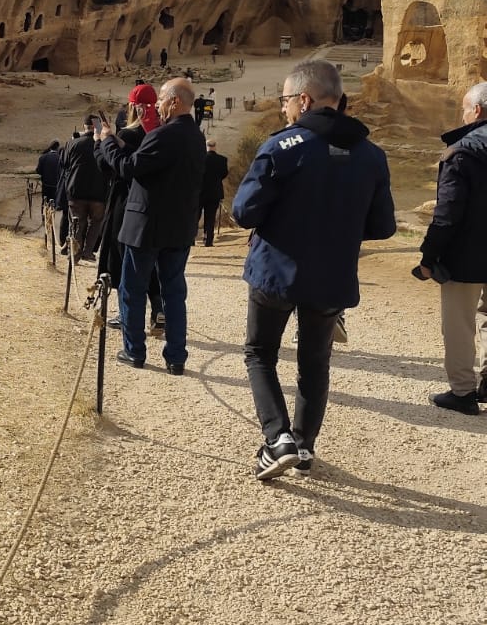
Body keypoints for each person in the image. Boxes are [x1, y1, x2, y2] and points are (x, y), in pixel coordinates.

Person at [231, 58, 395, 480]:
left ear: (303, 100)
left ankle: (277, 438)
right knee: (315, 361)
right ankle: (303, 446)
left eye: (286, 100)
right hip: (332, 275)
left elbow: (244, 211)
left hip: (276, 272)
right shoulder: (372, 155)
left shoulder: (281, 146)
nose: (284, 108)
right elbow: (383, 226)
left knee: (260, 354)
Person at [96, 77, 205, 374]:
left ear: (174, 102)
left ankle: (134, 351)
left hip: (146, 225)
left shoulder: (164, 135)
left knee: (132, 288)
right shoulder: (196, 136)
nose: (157, 105)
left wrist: (106, 140)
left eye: (161, 100)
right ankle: (176, 356)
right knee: (174, 292)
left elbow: (128, 167)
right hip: (179, 226)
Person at [417, 81, 487, 415]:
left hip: (467, 257)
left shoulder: (462, 151)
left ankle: (463, 392)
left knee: (459, 324)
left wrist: (429, 256)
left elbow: (447, 214)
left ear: (477, 110)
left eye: (464, 108)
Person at [61, 118, 108, 258]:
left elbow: (64, 164)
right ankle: (88, 252)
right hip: (99, 192)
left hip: (76, 190)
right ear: (96, 127)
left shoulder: (73, 143)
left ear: (85, 127)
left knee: (76, 223)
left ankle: (74, 253)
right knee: (96, 223)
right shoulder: (104, 145)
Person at [199, 139, 228, 246]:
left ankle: (191, 239)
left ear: (206, 146)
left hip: (200, 192)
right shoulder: (222, 160)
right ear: (215, 147)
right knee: (210, 217)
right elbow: (224, 174)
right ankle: (208, 240)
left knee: (195, 216)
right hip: (215, 192)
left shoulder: (200, 158)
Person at [35, 139, 61, 209]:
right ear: (58, 147)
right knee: (54, 205)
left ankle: (44, 218)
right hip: (56, 186)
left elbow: (38, 171)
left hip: (46, 185)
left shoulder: (43, 157)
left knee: (45, 202)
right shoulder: (61, 158)